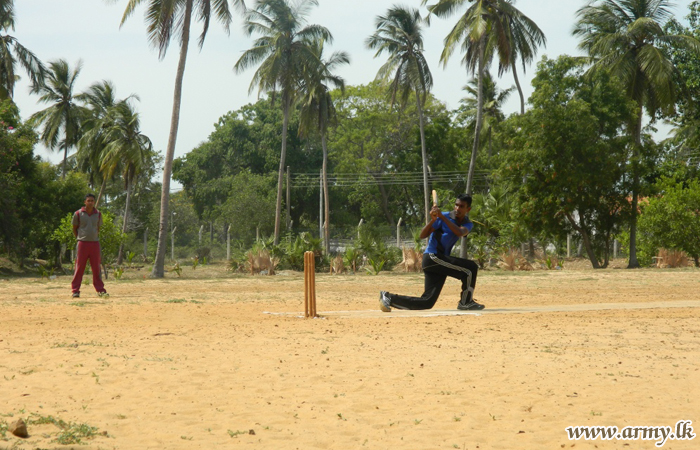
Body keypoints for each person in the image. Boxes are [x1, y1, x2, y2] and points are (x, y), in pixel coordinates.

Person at [379, 193, 483, 311]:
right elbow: (422, 235)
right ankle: (466, 302)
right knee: (471, 268)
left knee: (427, 301)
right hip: (432, 257)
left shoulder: (467, 223)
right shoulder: (444, 216)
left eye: (461, 206)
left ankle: (388, 298)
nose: (457, 208)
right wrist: (433, 220)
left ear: (468, 209)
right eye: (456, 205)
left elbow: (459, 232)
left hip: (439, 261)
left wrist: (442, 217)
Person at [71, 193, 108, 298]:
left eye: (92, 201)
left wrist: (93, 237)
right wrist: (80, 238)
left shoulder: (98, 214)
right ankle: (75, 290)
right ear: (85, 202)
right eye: (88, 201)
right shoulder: (78, 214)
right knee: (79, 267)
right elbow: (74, 228)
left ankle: (100, 290)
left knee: (96, 268)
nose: (90, 203)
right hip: (82, 243)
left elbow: (98, 228)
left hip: (94, 244)